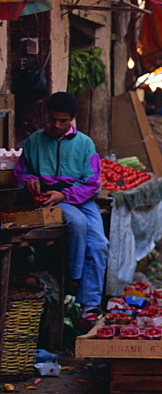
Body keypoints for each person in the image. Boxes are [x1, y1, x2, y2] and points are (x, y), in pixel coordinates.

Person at [15, 92, 109, 327]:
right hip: (48, 200)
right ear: (47, 115)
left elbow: (91, 182)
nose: (57, 125)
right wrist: (29, 180)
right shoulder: (34, 141)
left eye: (63, 121)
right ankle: (76, 279)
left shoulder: (85, 143)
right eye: (53, 119)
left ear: (73, 119)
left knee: (99, 244)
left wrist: (65, 194)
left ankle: (89, 306)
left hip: (80, 198)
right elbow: (20, 172)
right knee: (77, 223)